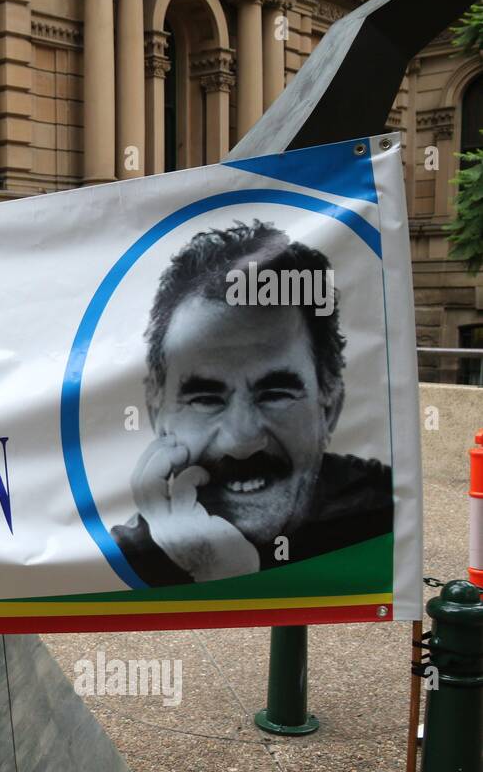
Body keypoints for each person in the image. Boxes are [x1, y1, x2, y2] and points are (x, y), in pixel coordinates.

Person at [109, 220, 392, 587]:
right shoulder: (113, 562)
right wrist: (212, 566)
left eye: (275, 394)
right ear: (156, 414)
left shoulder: (383, 518)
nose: (241, 442)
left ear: (330, 408)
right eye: (205, 398)